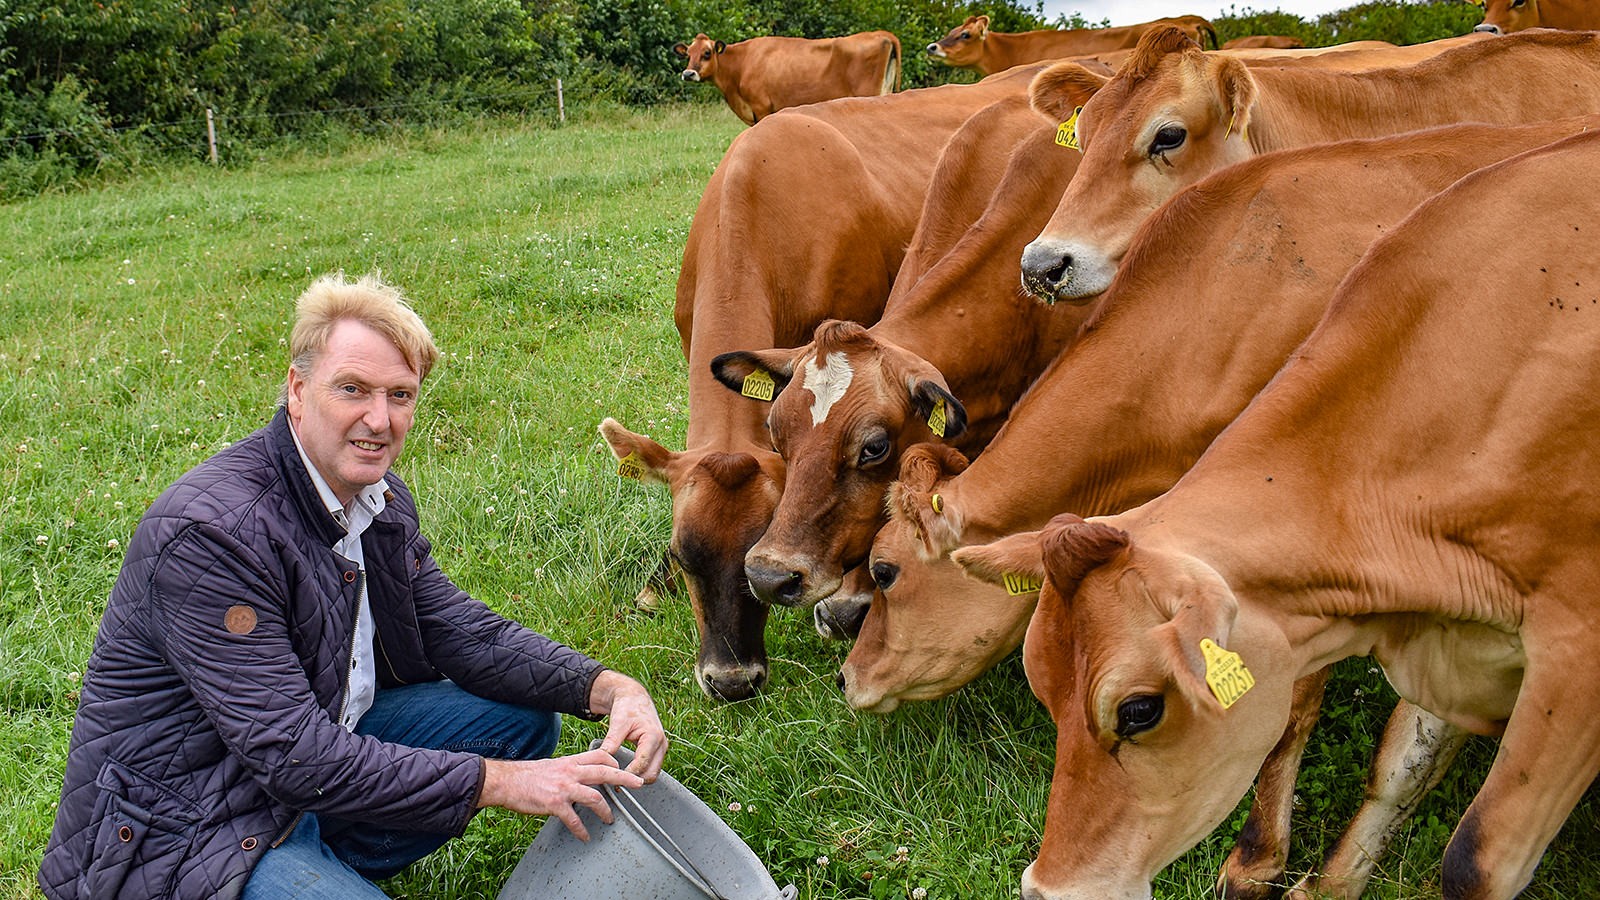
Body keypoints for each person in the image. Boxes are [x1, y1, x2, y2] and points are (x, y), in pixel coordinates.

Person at [38, 272, 668, 900]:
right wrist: (500, 782)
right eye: (353, 390)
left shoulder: (376, 500)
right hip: (188, 825)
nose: (379, 419)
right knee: (502, 765)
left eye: (401, 395)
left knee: (522, 719)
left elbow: (454, 627)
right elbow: (295, 755)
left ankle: (327, 865)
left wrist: (607, 688)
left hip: (308, 772)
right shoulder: (211, 537)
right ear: (297, 388)